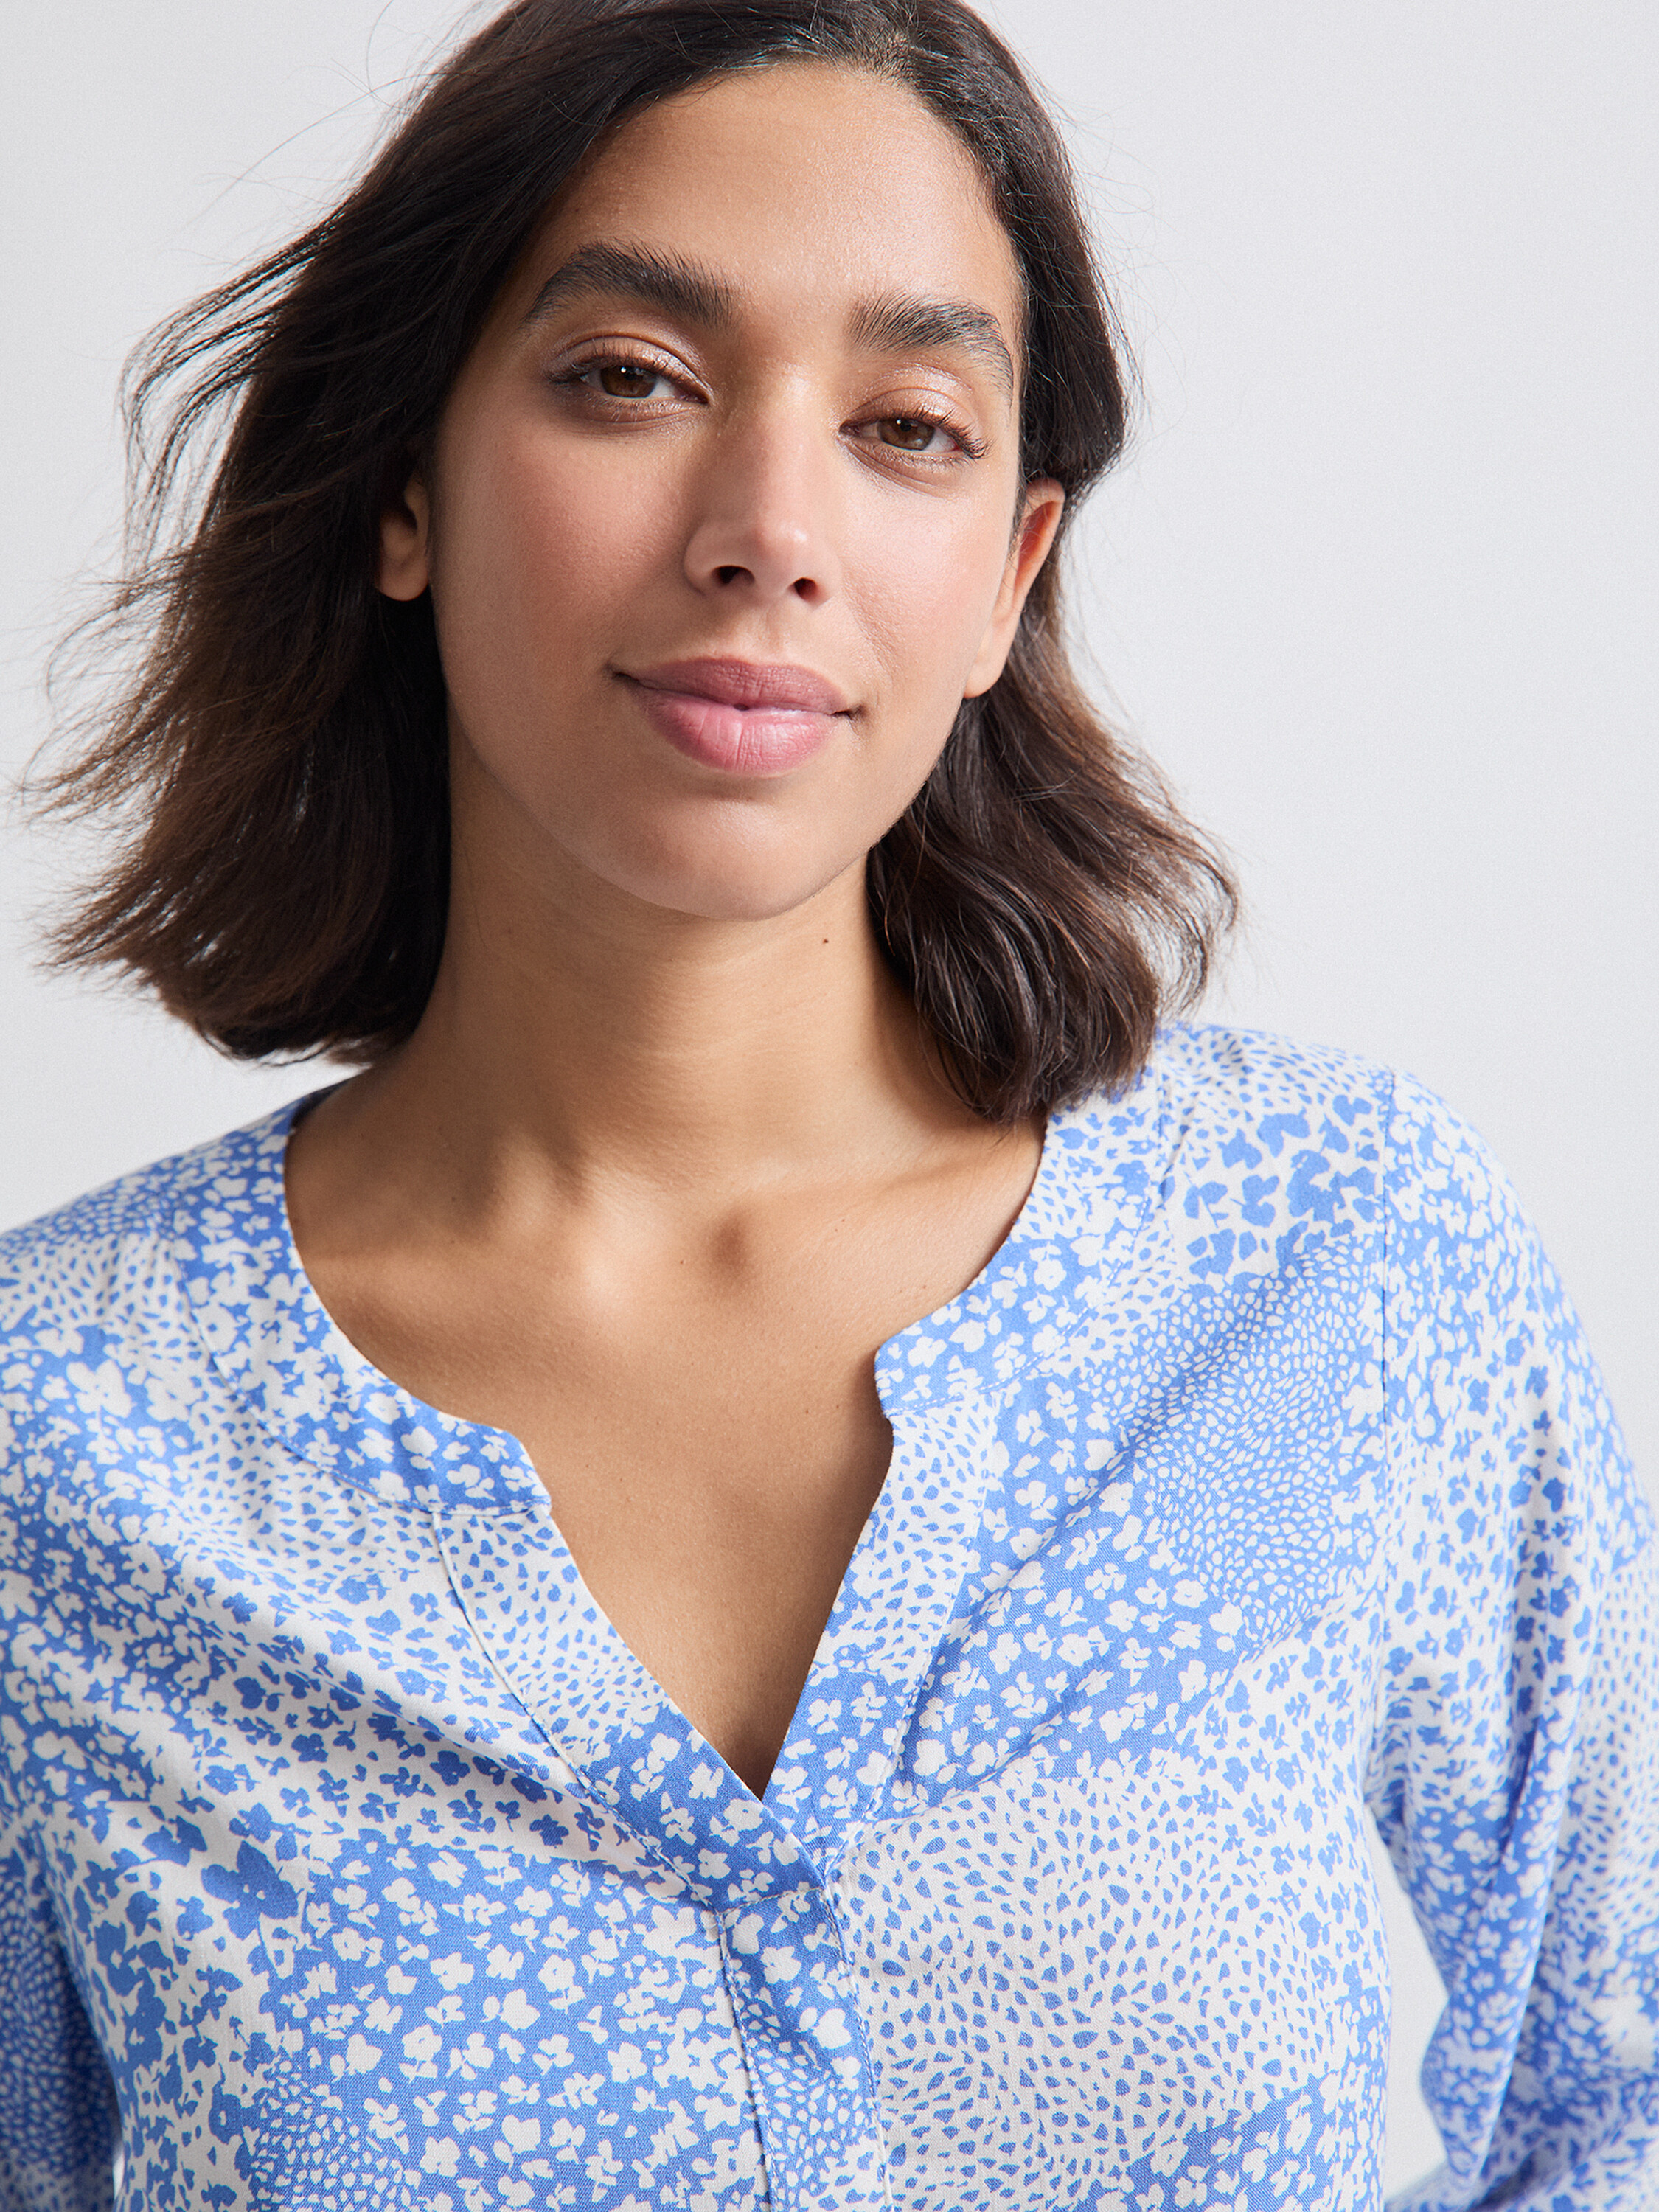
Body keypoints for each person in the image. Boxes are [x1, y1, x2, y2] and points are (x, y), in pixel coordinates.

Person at [1, 0, 1653, 2205]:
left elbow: (1625, 2088)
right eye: (631, 379)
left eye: (906, 426)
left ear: (1007, 577)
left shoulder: (1336, 1252)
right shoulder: (59, 1438)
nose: (769, 529)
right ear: (403, 487)